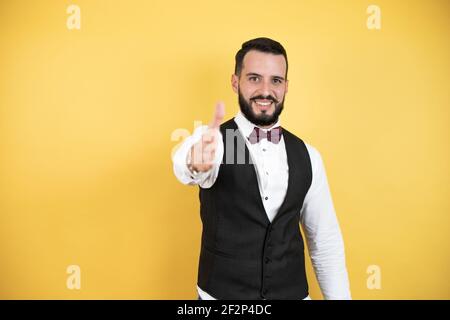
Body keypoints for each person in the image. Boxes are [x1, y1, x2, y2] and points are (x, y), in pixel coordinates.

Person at [172, 37, 351, 300]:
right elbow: (184, 164)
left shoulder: (308, 156)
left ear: (286, 87)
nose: (265, 90)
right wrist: (193, 163)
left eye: (275, 80)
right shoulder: (217, 142)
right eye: (254, 78)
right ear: (236, 82)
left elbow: (325, 243)